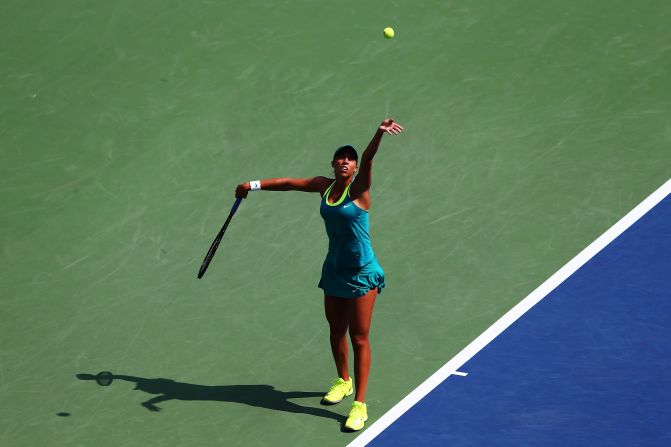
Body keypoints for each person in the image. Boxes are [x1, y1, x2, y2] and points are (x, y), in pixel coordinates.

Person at [235, 118, 404, 431]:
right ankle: (343, 381)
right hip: (335, 270)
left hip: (362, 273)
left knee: (359, 337)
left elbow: (369, 158)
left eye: (350, 158)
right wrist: (252, 185)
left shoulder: (360, 191)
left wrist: (378, 133)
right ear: (333, 163)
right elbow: (288, 183)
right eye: (341, 157)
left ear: (354, 168)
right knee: (335, 328)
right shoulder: (322, 186)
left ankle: (360, 405)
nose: (346, 160)